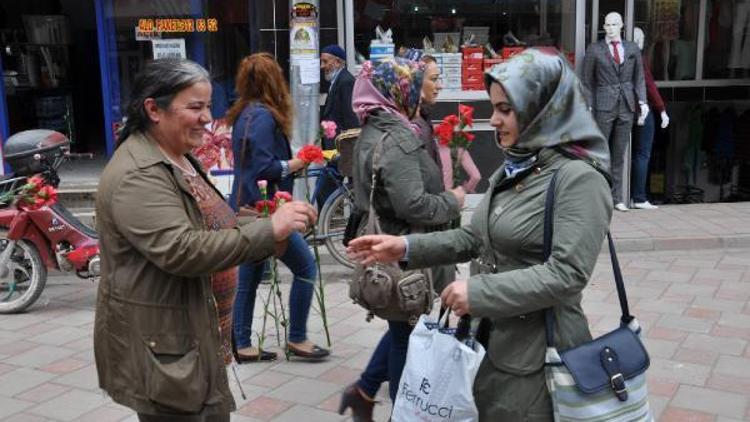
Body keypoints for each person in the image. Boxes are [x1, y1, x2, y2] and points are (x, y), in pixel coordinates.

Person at [348, 49, 613, 420]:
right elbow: (473, 239)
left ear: (543, 108)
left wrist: (478, 292)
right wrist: (404, 247)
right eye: (494, 108)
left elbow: (567, 274)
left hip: (538, 360)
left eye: (507, 109)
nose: (495, 121)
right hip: (488, 345)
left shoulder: (579, 179)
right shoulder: (519, 167)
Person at [94, 59, 317, 421]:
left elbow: (209, 222)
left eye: (208, 106)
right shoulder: (138, 175)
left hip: (191, 344)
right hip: (167, 353)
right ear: (153, 109)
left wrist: (259, 218)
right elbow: (183, 249)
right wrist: (268, 229)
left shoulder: (177, 156)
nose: (207, 118)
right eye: (195, 107)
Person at [337, 57, 465, 420]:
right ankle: (400, 411)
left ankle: (363, 391)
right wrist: (451, 201)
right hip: (409, 256)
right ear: (397, 90)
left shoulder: (372, 129)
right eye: (410, 84)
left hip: (392, 252)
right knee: (406, 338)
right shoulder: (397, 138)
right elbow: (415, 205)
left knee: (404, 329)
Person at [226, 53, 330, 362]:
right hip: (265, 210)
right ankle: (296, 338)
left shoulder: (244, 112)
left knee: (250, 276)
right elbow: (263, 167)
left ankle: (241, 342)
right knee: (305, 267)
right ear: (273, 81)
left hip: (246, 207)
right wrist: (294, 163)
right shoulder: (263, 115)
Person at [583, 11, 648, 212]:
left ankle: (616, 197)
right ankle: (597, 196)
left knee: (619, 154)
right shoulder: (595, 49)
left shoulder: (632, 49)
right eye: (607, 24)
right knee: (600, 152)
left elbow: (639, 78)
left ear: (621, 26)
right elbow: (587, 81)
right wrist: (589, 105)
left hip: (626, 106)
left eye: (613, 24)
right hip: (603, 104)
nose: (609, 28)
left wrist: (642, 102)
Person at [631, 27, 671, 210]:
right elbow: (648, 84)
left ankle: (627, 194)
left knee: (628, 154)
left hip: (625, 110)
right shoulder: (638, 58)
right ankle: (638, 196)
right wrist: (661, 108)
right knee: (642, 153)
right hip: (642, 109)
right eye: (641, 38)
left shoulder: (620, 56)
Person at [317, 44, 360, 209]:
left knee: (324, 192)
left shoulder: (346, 81)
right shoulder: (338, 80)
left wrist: (345, 152)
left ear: (337, 62)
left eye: (325, 61)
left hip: (341, 150)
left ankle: (325, 230)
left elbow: (351, 119)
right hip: (336, 150)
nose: (322, 66)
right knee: (329, 193)